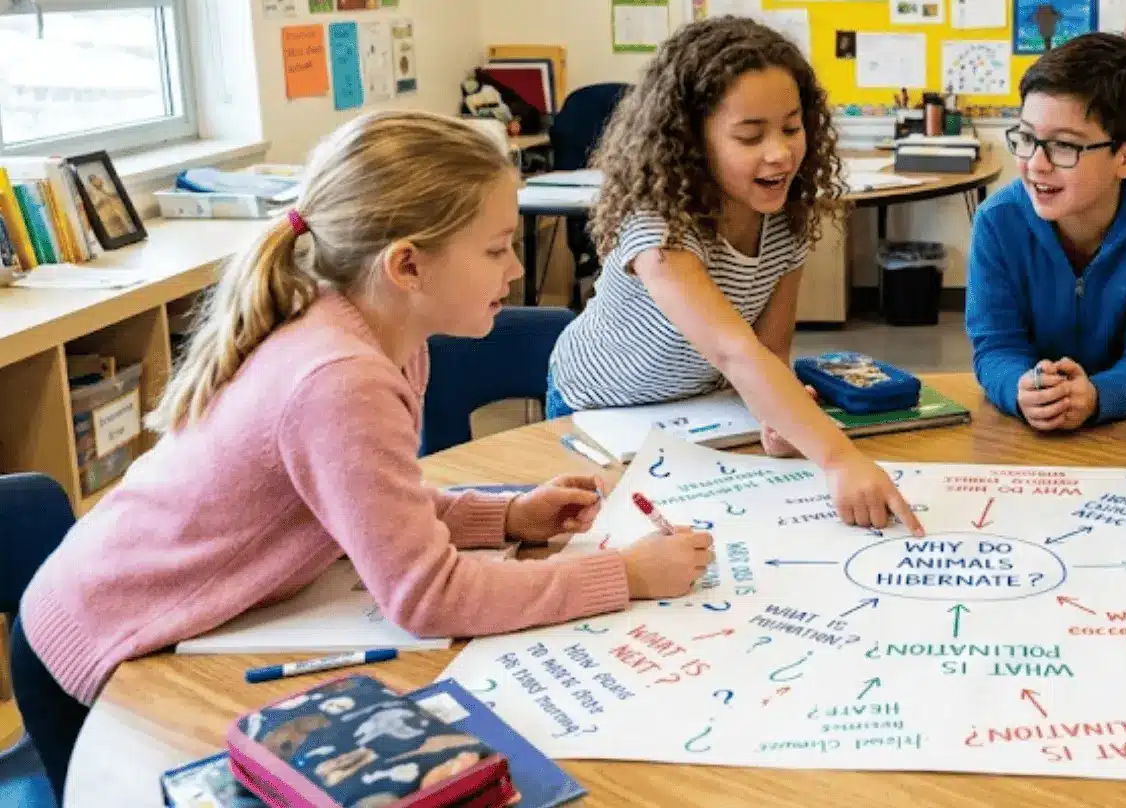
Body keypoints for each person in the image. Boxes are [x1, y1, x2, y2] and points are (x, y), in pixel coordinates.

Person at [12, 113, 715, 801]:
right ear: (407, 264)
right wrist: (621, 574)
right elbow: (429, 596)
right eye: (498, 247)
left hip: (140, 618)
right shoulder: (340, 376)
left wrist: (508, 519)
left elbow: (369, 505)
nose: (518, 265)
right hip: (100, 649)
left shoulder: (386, 337)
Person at [546, 17, 920, 534]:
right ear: (691, 144)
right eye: (750, 136)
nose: (780, 152)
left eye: (792, 127)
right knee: (611, 534)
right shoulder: (659, 230)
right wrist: (838, 458)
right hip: (599, 406)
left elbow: (766, 354)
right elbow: (731, 350)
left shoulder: (786, 217)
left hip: (698, 407)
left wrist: (777, 414)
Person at [967, 32, 1126, 430]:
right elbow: (996, 345)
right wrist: (1019, 387)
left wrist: (1097, 396)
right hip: (1022, 438)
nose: (1036, 164)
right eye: (1026, 138)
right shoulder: (997, 222)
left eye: (1063, 146)